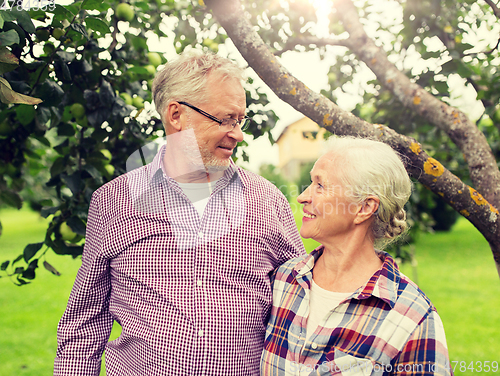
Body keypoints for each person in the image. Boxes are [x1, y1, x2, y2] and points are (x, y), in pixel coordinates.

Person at [54, 51, 305, 376]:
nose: (238, 134)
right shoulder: (113, 202)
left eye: (239, 120)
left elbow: (301, 304)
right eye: (225, 119)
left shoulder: (268, 201)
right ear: (176, 115)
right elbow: (83, 324)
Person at [261, 136, 452, 376]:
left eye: (320, 185)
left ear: (364, 208)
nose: (303, 197)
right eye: (311, 183)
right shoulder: (282, 281)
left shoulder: (413, 319)